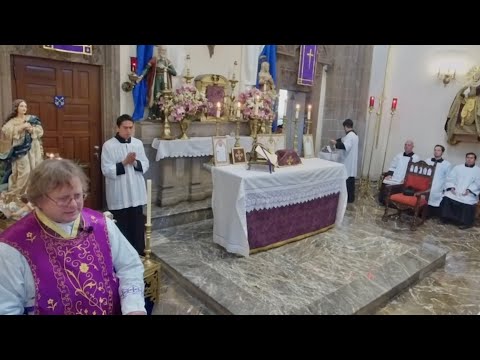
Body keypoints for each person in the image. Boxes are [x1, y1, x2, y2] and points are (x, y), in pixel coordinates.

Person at [0, 158, 146, 315]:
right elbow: (6, 307)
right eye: (63, 199)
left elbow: (129, 267)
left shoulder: (102, 225)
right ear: (39, 200)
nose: (74, 204)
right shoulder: (13, 246)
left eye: (78, 195)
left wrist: (133, 307)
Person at [101, 114, 150, 255]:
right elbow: (106, 169)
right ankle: (123, 256)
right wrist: (124, 163)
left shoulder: (137, 144)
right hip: (119, 192)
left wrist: (134, 162)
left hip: (135, 192)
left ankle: (139, 253)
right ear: (117, 128)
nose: (128, 131)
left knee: (137, 225)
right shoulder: (109, 145)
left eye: (131, 127)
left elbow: (145, 164)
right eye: (125, 127)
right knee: (121, 226)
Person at [0, 99, 44, 204]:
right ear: (16, 108)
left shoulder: (31, 119)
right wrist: (20, 128)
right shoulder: (12, 122)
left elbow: (40, 131)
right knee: (24, 172)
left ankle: (31, 195)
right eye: (21, 106)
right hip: (20, 150)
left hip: (33, 149)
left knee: (35, 170)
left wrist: (32, 129)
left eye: (25, 106)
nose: (24, 108)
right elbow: (6, 132)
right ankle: (17, 196)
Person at [439, 152, 480, 230]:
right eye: (468, 157)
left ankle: (465, 223)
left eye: (471, 158)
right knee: (447, 197)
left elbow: (478, 183)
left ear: (475, 159)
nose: (469, 159)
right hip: (456, 190)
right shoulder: (457, 167)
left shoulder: (478, 170)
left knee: (468, 202)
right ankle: (446, 218)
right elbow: (450, 178)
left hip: (468, 193)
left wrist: (469, 190)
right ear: (465, 158)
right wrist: (451, 187)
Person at [136, 45, 177, 119]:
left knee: (164, 97)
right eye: (161, 50)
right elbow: (147, 69)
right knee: (155, 96)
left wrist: (166, 68)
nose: (163, 52)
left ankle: (161, 114)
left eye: (164, 51)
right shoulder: (154, 60)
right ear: (158, 51)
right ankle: (152, 114)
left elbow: (174, 73)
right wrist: (141, 76)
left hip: (165, 81)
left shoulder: (167, 62)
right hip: (156, 80)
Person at [444, 66, 480, 145]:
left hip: (477, 103)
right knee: (464, 114)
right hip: (470, 102)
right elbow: (462, 93)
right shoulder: (469, 84)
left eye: (478, 75)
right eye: (475, 74)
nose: (476, 76)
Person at [378, 139, 421, 204]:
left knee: (402, 185)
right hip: (395, 177)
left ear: (412, 147)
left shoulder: (416, 158)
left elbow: (414, 172)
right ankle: (384, 201)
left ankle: (394, 203)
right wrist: (389, 175)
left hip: (405, 179)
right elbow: (393, 166)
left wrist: (406, 179)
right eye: (405, 145)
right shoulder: (399, 155)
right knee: (385, 181)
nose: (406, 146)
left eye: (409, 145)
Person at [330, 119, 359, 203]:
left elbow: (345, 146)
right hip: (351, 162)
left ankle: (348, 198)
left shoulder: (350, 136)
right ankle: (351, 198)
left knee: (348, 181)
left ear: (345, 127)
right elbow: (343, 139)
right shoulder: (354, 135)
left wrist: (335, 143)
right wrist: (336, 140)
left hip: (348, 162)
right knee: (350, 180)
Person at [424, 145, 451, 217]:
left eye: (438, 150)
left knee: (433, 199)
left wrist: (444, 188)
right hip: (426, 183)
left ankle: (430, 214)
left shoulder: (447, 164)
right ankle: (421, 212)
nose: (436, 152)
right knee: (424, 197)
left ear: (442, 152)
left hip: (438, 185)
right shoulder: (427, 160)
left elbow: (448, 178)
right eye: (435, 150)